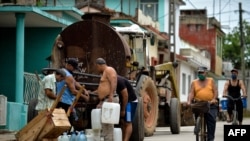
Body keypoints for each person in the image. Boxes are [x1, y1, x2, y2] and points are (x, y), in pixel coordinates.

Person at [187, 66, 218, 141]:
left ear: (206, 73)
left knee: (211, 120)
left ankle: (210, 138)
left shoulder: (211, 80)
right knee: (195, 109)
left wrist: (214, 99)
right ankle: (197, 125)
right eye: (199, 73)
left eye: (202, 72)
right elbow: (191, 93)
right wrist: (189, 101)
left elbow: (215, 91)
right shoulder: (194, 82)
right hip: (199, 103)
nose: (200, 74)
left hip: (210, 104)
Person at [56, 58, 89, 124]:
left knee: (62, 121)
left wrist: (83, 89)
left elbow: (74, 82)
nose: (74, 70)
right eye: (74, 68)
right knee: (67, 122)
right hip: (65, 102)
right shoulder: (68, 76)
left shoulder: (63, 72)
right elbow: (73, 91)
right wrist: (84, 97)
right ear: (69, 65)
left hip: (61, 100)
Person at [95, 58, 119, 141]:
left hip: (110, 99)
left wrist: (111, 96)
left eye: (97, 67)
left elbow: (114, 82)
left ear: (99, 65)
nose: (97, 69)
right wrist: (101, 101)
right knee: (105, 123)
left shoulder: (109, 69)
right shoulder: (104, 72)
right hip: (105, 99)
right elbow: (105, 87)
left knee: (108, 124)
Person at [116, 75, 137, 141]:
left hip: (130, 102)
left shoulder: (119, 81)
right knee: (122, 121)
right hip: (123, 102)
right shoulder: (113, 80)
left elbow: (125, 96)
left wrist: (123, 109)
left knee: (128, 122)